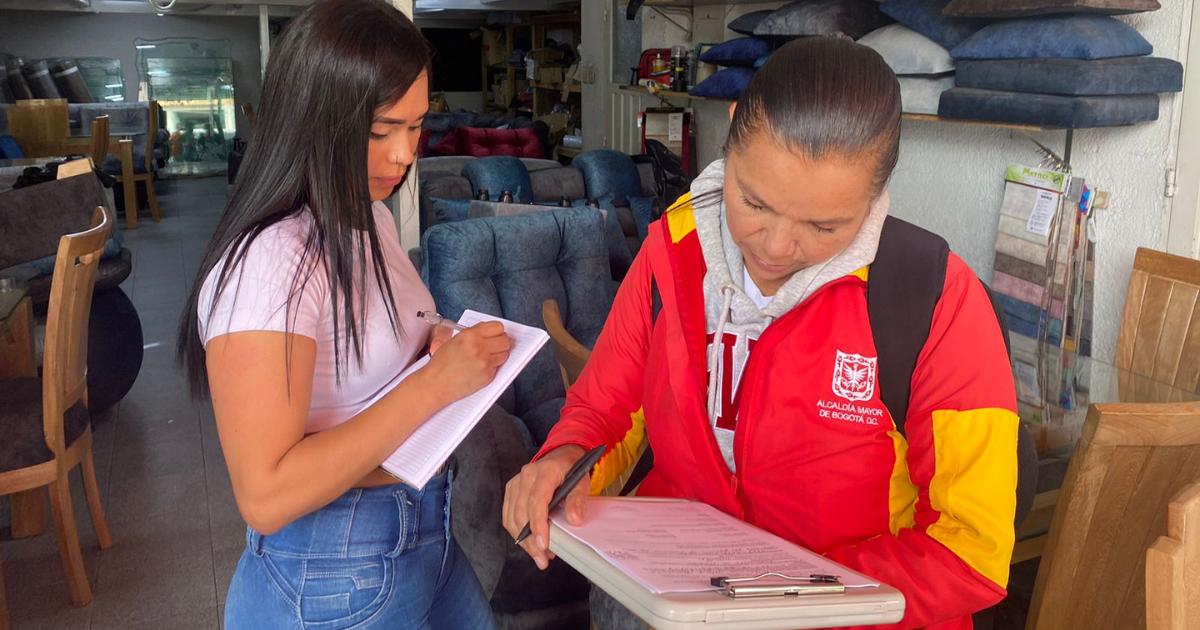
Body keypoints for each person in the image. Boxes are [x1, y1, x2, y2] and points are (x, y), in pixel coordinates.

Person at [503, 37, 1018, 630]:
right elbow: (606, 406)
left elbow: (971, 552)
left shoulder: (933, 299)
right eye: (753, 202)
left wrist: (790, 601)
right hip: (670, 599)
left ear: (877, 192)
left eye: (824, 226)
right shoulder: (672, 253)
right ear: (730, 134)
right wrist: (562, 460)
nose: (774, 249)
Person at [177, 1, 507, 628]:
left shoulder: (368, 218)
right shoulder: (273, 260)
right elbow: (266, 495)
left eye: (416, 127)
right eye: (381, 130)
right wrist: (437, 384)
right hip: (331, 570)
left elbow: (361, 361)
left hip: (421, 535)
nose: (404, 154)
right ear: (315, 117)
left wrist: (428, 343)